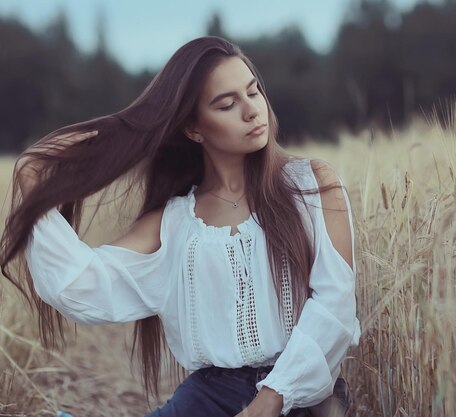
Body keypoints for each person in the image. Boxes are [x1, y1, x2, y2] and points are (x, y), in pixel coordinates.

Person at [0, 36, 360, 417]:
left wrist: (270, 399)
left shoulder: (310, 184)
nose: (252, 111)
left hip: (303, 397)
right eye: (227, 104)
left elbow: (334, 305)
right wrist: (32, 175)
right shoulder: (174, 223)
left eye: (254, 92)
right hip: (206, 400)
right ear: (192, 129)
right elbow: (80, 287)